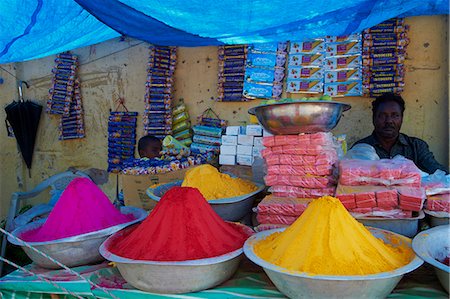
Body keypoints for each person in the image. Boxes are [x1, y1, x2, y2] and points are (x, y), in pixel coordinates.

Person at [353, 93, 448, 174]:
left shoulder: (417, 147)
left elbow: (440, 174)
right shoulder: (360, 149)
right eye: (382, 116)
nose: (389, 121)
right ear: (373, 118)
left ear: (402, 118)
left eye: (395, 115)